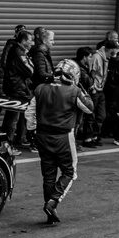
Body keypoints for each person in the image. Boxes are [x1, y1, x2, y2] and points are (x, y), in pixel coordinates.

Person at [33, 59, 93, 225]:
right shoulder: (74, 90)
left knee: (48, 176)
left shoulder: (40, 88)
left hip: (42, 136)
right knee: (70, 172)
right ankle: (53, 201)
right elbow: (89, 108)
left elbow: (29, 112)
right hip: (64, 137)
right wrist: (82, 90)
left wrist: (32, 131)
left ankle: (50, 212)